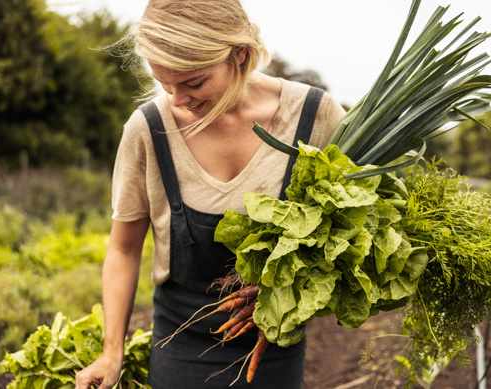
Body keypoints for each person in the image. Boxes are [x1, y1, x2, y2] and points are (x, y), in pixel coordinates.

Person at [75, 0, 345, 387]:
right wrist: (111, 352)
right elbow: (123, 248)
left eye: (194, 82)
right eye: (164, 84)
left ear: (240, 53)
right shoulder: (148, 130)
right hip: (180, 343)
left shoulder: (315, 118)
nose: (177, 99)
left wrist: (296, 286)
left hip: (274, 349)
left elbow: (348, 238)